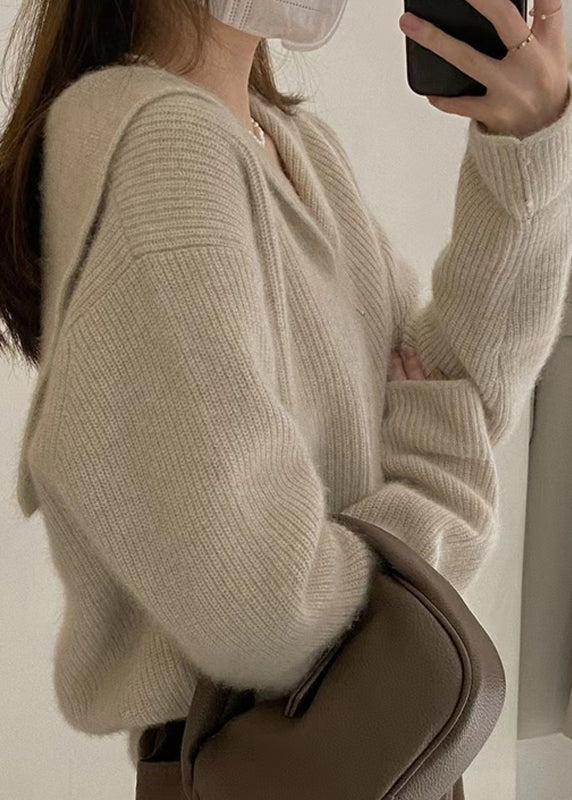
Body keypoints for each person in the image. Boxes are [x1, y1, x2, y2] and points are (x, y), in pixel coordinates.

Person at [1, 0, 571, 776]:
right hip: (286, 761)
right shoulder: (166, 151)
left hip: (363, 752)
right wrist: (443, 487)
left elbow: (461, 385)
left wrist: (526, 146)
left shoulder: (286, 143)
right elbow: (268, 608)